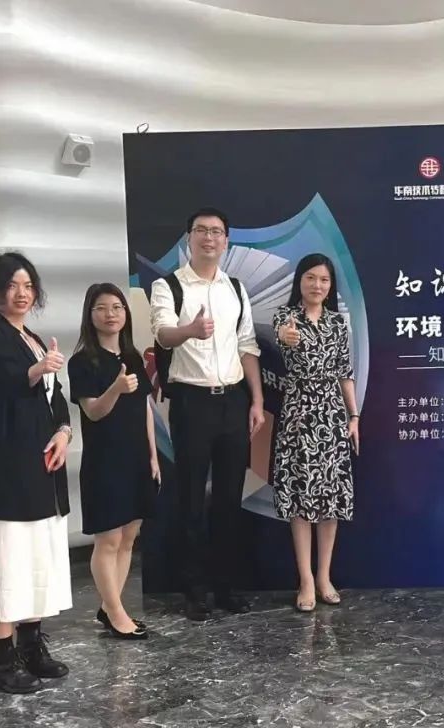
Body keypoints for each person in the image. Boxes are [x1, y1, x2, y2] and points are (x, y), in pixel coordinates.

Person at [150, 207, 265, 621]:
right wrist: (190, 331)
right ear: (189, 238)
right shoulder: (168, 286)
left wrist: (256, 401)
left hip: (233, 401)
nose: (209, 238)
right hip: (191, 403)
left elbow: (247, 346)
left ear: (226, 241)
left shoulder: (235, 288)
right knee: (191, 500)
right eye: (201, 230)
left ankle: (226, 586)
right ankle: (195, 590)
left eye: (217, 232)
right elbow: (162, 334)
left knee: (230, 498)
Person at [0, 252, 72, 694]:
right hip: (9, 469)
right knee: (9, 562)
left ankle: (32, 646)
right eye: (12, 285)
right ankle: (2, 660)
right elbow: (4, 384)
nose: (22, 293)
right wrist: (37, 369)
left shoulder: (31, 336)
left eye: (28, 285)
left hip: (42, 466)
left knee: (37, 558)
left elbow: (55, 396)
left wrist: (64, 432)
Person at [69, 283, 159, 640]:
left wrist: (152, 455)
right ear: (90, 315)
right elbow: (93, 411)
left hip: (136, 457)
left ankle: (111, 607)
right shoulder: (82, 362)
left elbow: (145, 409)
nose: (111, 314)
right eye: (102, 308)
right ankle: (117, 613)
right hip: (104, 459)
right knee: (108, 539)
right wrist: (116, 389)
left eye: (117, 307)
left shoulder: (133, 356)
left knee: (128, 537)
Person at [271, 254, 359, 612]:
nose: (317, 285)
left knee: (330, 498)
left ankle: (324, 576)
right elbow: (284, 336)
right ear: (300, 281)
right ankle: (305, 578)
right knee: (301, 497)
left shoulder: (338, 323)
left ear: (330, 285)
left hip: (332, 415)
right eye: (310, 278)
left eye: (323, 279)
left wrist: (354, 416)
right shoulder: (285, 316)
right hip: (298, 413)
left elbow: (345, 373)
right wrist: (286, 336)